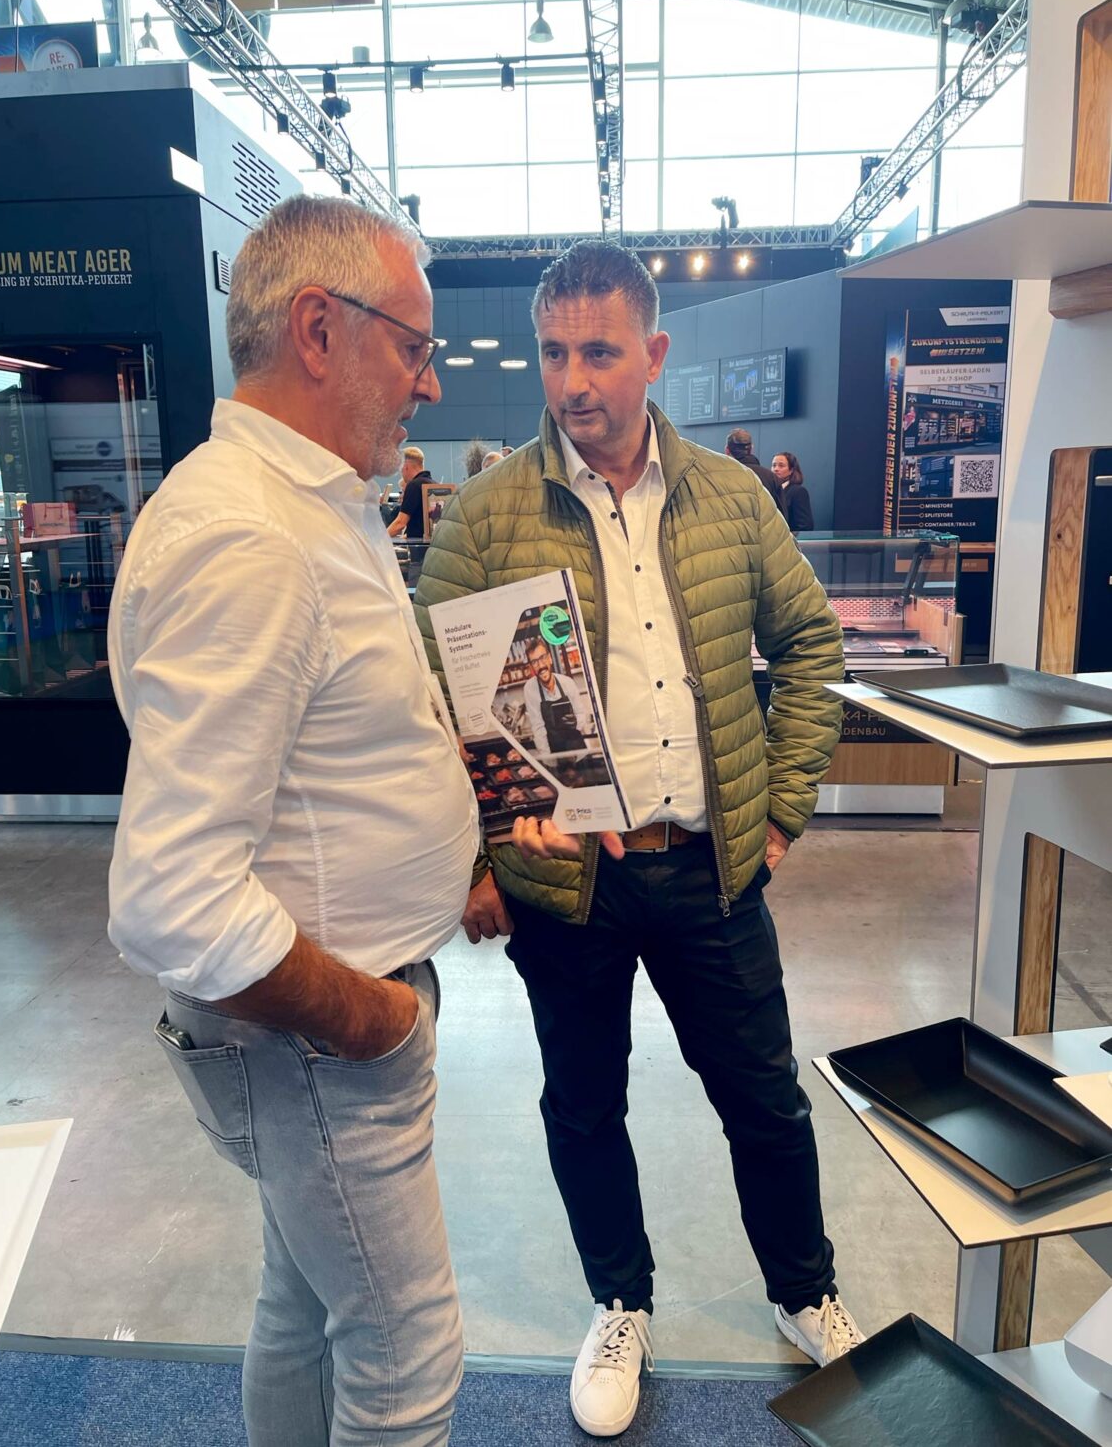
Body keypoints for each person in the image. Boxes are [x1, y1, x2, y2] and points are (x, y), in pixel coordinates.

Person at [415, 240, 863, 1439]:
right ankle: (620, 1303)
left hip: (712, 868)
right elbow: (429, 696)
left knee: (765, 1100)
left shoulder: (730, 497)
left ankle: (807, 1292)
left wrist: (782, 812)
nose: (574, 381)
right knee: (583, 1104)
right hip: (568, 885)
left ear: (654, 354)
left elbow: (812, 646)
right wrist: (480, 857)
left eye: (600, 352)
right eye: (554, 353)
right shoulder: (490, 513)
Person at [107, 194, 478, 1447]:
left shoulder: (307, 501)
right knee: (406, 1348)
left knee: (304, 1300)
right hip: (319, 1037)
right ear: (319, 330)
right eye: (414, 347)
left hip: (319, 1033)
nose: (429, 382)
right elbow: (172, 896)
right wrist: (374, 1022)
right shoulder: (250, 536)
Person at [521, 636, 589, 755]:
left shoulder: (568, 683)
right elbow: (538, 728)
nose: (540, 665)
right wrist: (550, 761)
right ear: (531, 667)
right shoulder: (530, 689)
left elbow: (581, 713)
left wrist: (576, 722)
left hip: (578, 750)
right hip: (554, 752)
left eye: (543, 658)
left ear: (550, 658)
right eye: (534, 662)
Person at [725, 427, 781, 508]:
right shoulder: (771, 477)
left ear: (727, 450)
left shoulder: (720, 476)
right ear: (751, 449)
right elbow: (781, 512)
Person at [387, 444, 433, 537]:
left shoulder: (413, 485)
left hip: (417, 544)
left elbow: (400, 523)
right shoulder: (433, 484)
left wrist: (378, 540)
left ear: (406, 466)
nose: (401, 473)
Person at [771, 451, 815, 532]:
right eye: (774, 465)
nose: (776, 469)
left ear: (791, 470)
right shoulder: (770, 491)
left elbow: (805, 525)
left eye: (781, 465)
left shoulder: (798, 492)